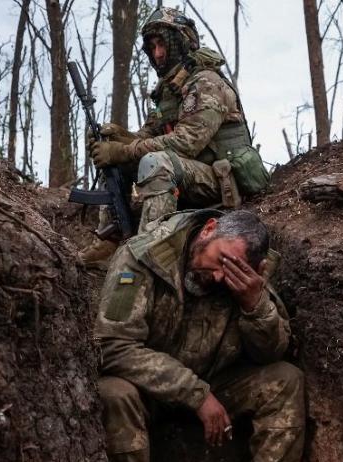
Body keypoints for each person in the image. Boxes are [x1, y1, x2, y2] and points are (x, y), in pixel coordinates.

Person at [95, 209, 308, 462]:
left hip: (215, 381)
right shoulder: (143, 256)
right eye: (222, 261)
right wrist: (195, 393)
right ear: (209, 230)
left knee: (286, 379)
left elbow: (272, 354)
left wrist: (255, 305)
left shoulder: (247, 276)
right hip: (148, 391)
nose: (222, 277)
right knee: (113, 394)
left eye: (234, 271)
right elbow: (112, 345)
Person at [81, 7, 269, 267]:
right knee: (119, 159)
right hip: (188, 174)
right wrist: (117, 138)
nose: (158, 54)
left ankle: (150, 254)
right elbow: (148, 135)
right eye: (153, 47)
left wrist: (125, 150)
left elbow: (187, 142)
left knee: (156, 162)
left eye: (163, 44)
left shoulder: (206, 83)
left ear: (183, 43)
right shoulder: (168, 91)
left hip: (221, 180)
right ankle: (109, 241)